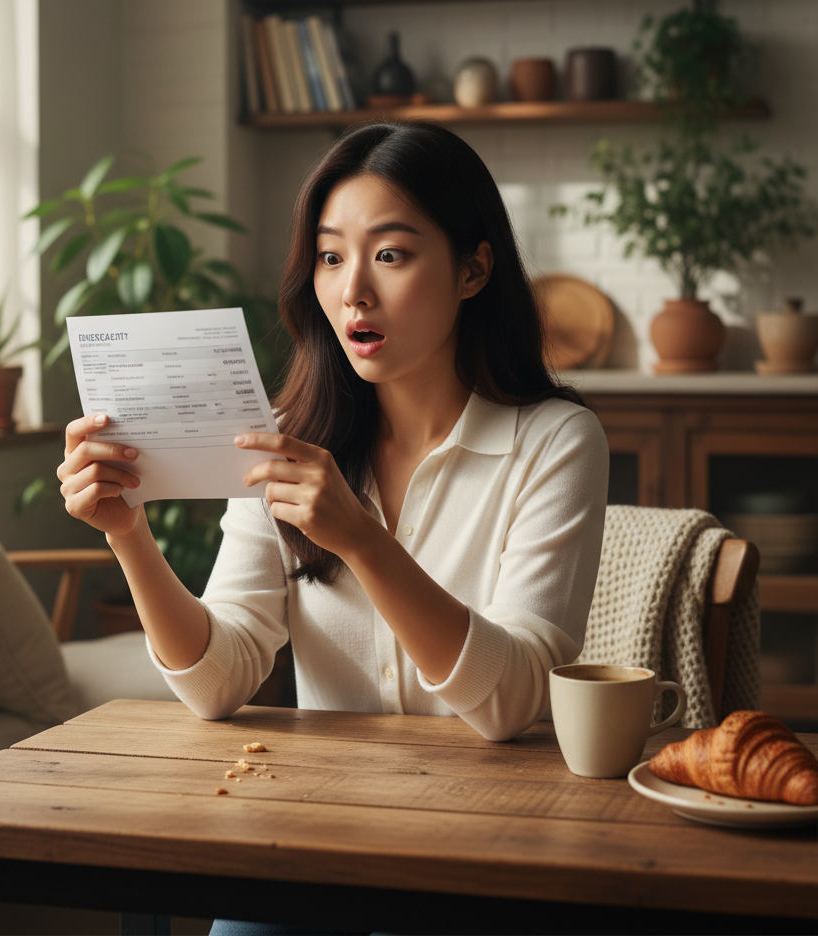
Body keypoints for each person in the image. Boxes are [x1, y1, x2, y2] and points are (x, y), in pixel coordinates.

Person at [58, 119, 607, 749]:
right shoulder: (283, 443)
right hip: (325, 798)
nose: (353, 292)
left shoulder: (556, 443)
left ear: (473, 270)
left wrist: (362, 541)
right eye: (331, 257)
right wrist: (129, 536)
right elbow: (216, 685)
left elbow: (513, 702)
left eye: (390, 255)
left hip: (499, 801)